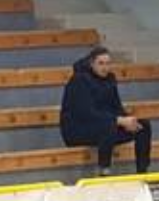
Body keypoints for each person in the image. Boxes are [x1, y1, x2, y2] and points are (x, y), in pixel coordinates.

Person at [59, 46, 152, 176]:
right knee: (108, 125)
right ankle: (104, 171)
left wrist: (127, 120)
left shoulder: (110, 79)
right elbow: (86, 113)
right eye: (101, 63)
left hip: (103, 126)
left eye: (108, 63)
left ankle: (142, 172)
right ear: (92, 64)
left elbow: (116, 107)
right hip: (77, 129)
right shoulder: (79, 80)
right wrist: (118, 120)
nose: (105, 67)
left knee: (143, 126)